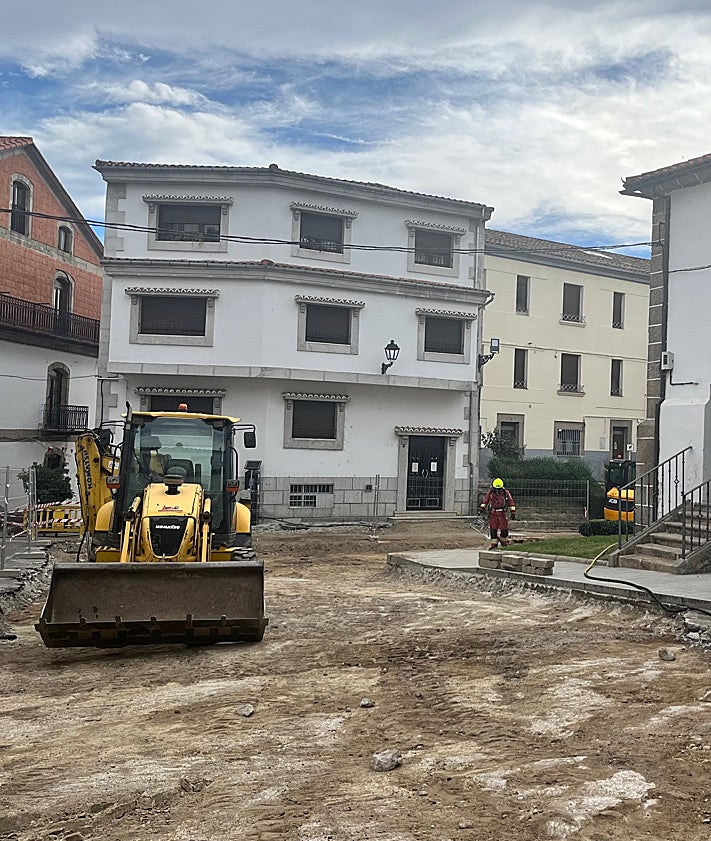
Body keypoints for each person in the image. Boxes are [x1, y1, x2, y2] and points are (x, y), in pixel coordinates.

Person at [480, 477, 516, 550]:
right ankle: (494, 544)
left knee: (504, 530)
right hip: (493, 513)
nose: (497, 491)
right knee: (493, 530)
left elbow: (510, 501)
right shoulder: (491, 492)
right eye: (496, 489)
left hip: (502, 513)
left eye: (498, 490)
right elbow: (486, 500)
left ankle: (503, 541)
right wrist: (481, 508)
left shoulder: (505, 492)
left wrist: (513, 512)